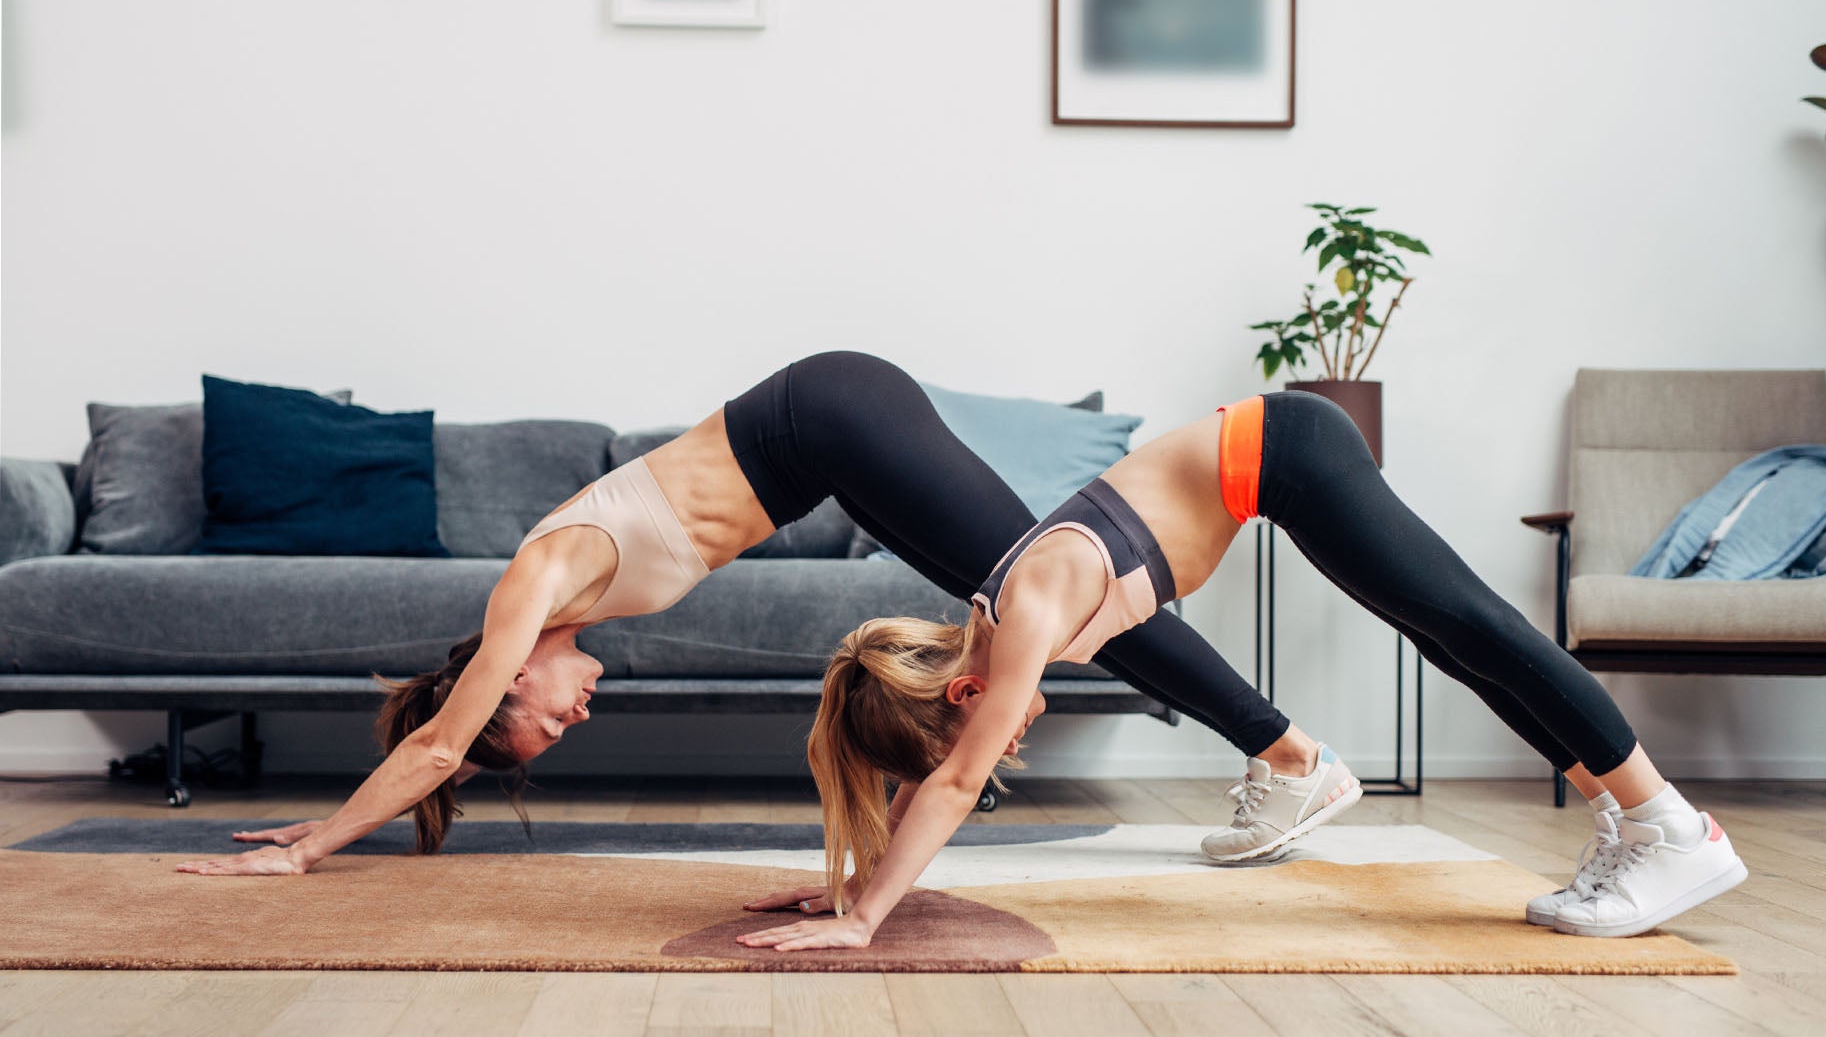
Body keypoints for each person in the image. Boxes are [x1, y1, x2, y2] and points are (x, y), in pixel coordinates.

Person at [176, 353, 1339, 876]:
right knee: (1052, 597)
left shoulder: (525, 595)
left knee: (1051, 589)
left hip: (826, 420)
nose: (572, 719)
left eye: (540, 724)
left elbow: (437, 741)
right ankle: (1283, 753)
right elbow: (445, 739)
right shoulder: (558, 598)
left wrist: (316, 841)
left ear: (505, 682)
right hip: (823, 440)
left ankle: (1289, 754)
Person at [742, 389, 1747, 952]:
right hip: (1279, 460)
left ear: (963, 695)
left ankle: (1671, 825)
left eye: (994, 740)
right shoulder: (1001, 621)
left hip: (1286, 452)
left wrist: (868, 917)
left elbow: (952, 778)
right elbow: (946, 768)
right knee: (1450, 641)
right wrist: (857, 877)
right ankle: (1627, 814)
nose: (1012, 746)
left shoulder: (1021, 617)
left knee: (1471, 622)